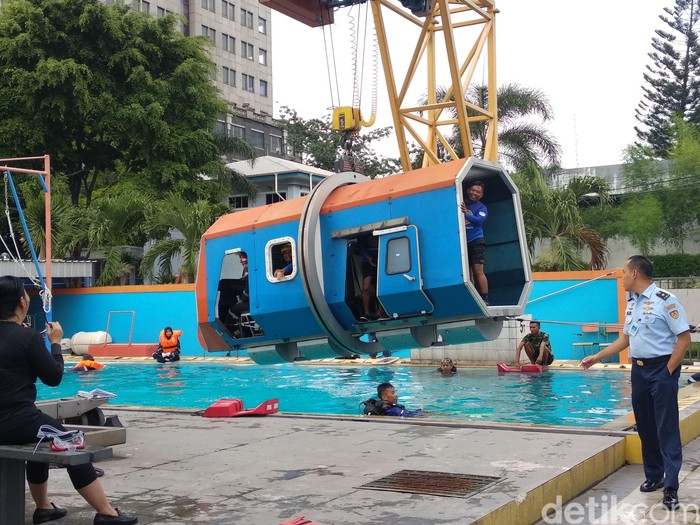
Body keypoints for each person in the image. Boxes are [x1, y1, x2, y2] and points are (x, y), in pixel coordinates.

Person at [0, 276, 138, 524]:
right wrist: (55, 343)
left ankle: (44, 507)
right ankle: (106, 512)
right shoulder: (27, 337)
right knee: (69, 440)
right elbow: (53, 377)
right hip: (15, 421)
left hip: (15, 422)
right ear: (21, 301)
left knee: (42, 434)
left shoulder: (23, 335)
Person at [581, 256, 690, 511]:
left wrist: (668, 371)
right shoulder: (632, 304)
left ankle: (671, 487)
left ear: (635, 274)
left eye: (624, 272)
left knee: (666, 428)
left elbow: (684, 338)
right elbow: (626, 339)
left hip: (661, 369)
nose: (622, 277)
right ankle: (655, 476)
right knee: (645, 426)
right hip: (639, 371)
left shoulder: (665, 300)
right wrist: (597, 356)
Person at [460, 180, 489, 304]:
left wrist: (465, 214)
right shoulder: (460, 203)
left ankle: (484, 299)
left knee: (478, 270)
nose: (474, 193)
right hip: (462, 241)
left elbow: (478, 221)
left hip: (476, 240)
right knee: (468, 273)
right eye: (473, 190)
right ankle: (473, 299)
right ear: (468, 190)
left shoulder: (482, 207)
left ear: (481, 195)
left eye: (478, 192)